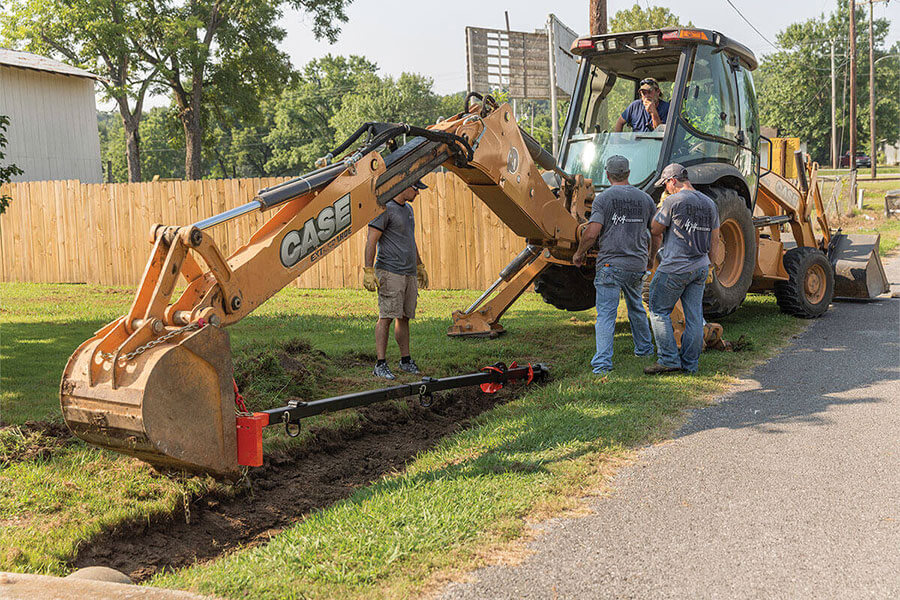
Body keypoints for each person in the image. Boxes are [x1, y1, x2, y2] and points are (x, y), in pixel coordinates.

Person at [572, 155, 658, 375]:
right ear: (628, 173)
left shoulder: (604, 198)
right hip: (636, 264)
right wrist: (650, 257)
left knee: (606, 315)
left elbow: (591, 233)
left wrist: (579, 253)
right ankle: (645, 350)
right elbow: (656, 234)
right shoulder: (646, 199)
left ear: (608, 175)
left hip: (610, 265)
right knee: (636, 308)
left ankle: (602, 365)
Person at [644, 163, 720, 375]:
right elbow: (715, 237)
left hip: (675, 267)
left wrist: (661, 209)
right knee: (694, 317)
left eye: (665, 184)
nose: (665, 189)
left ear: (672, 181)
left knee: (658, 311)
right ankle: (690, 365)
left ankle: (668, 360)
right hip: (701, 267)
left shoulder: (673, 201)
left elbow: (655, 229)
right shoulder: (709, 203)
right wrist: (711, 264)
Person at [363, 181, 430, 380]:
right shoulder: (384, 209)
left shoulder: (408, 210)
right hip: (390, 271)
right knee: (386, 316)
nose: (418, 192)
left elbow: (410, 240)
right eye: (416, 188)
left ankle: (405, 360)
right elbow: (371, 240)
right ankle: (380, 364)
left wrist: (419, 265)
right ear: (402, 186)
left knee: (404, 316)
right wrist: (368, 270)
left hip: (408, 272)